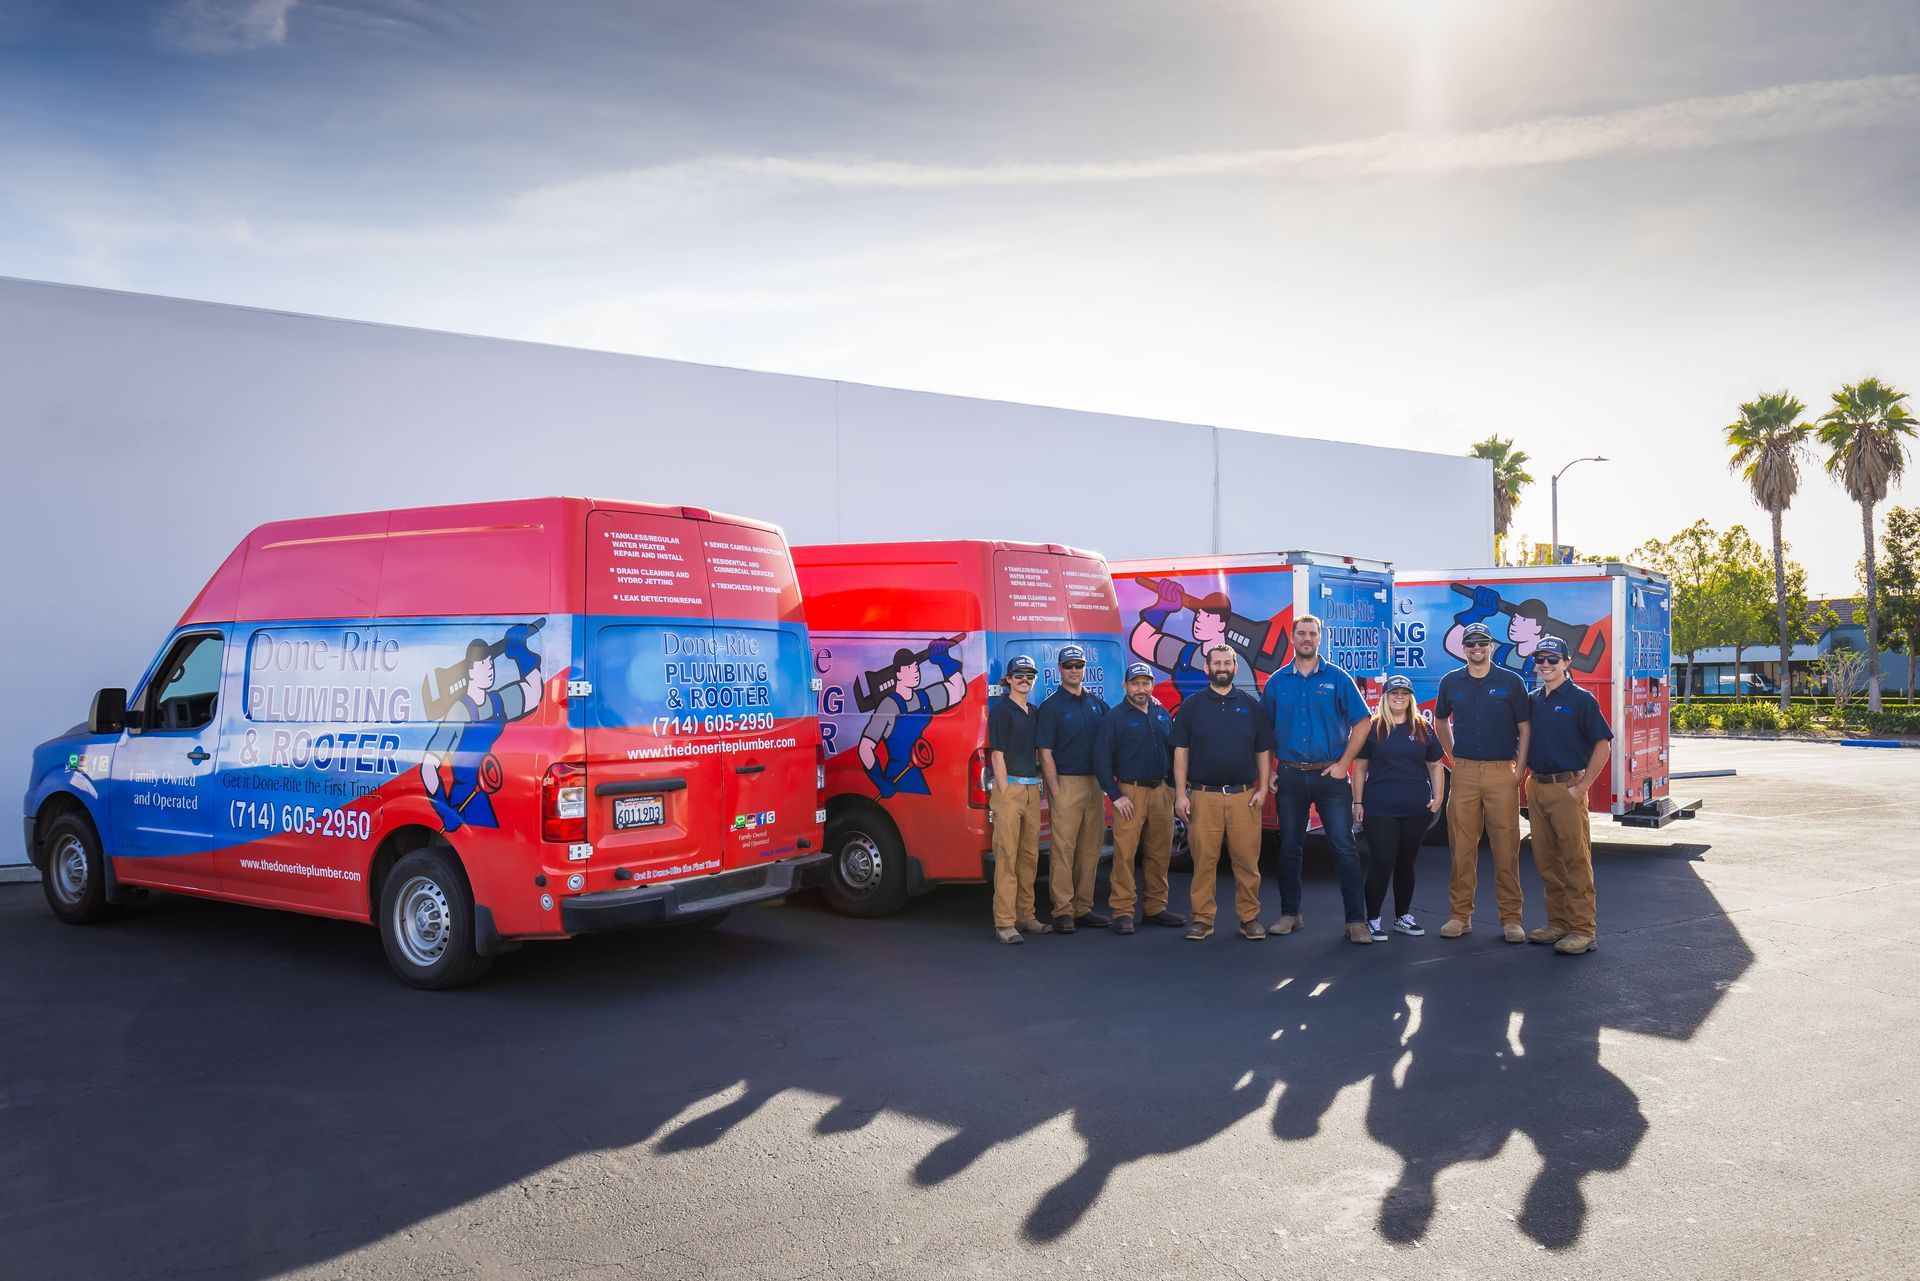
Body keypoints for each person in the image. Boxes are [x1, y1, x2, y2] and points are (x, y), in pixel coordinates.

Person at [1260, 614, 1374, 944]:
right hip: (1291, 777)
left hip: (1330, 776)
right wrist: (1268, 770)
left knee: (1343, 847)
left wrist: (1343, 765)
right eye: (1301, 633)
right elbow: (1265, 732)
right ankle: (1290, 914)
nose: (1306, 638)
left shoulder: (1338, 678)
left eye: (1312, 633)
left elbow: (1363, 722)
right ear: (1292, 638)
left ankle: (1356, 921)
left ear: (1319, 639)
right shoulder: (1277, 682)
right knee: (1290, 849)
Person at [1432, 619, 1533, 943]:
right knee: (1462, 848)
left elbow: (1525, 727)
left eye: (1482, 644)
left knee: (1506, 848)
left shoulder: (1511, 682)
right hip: (1464, 773)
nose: (1477, 649)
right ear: (1464, 649)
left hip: (1500, 772)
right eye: (1471, 644)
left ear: (1491, 646)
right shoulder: (1451, 682)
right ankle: (1460, 916)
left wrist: (1520, 769)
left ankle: (1511, 919)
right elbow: (1440, 719)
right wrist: (1452, 756)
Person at [1172, 645, 1274, 941]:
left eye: (1226, 662)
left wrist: (1263, 788)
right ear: (1207, 668)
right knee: (1204, 862)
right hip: (1204, 797)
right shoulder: (1192, 706)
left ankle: (1249, 918)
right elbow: (1181, 752)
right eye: (1216, 663)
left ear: (1235, 667)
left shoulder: (1250, 705)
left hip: (1244, 797)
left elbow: (1263, 749)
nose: (1221, 667)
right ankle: (1203, 919)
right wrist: (1181, 793)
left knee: (1247, 862)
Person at [1522, 635, 1613, 956]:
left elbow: (1603, 745)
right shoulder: (1532, 700)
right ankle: (1557, 923)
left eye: (1553, 660)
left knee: (1575, 859)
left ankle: (1583, 929)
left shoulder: (1581, 699)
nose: (1545, 665)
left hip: (1567, 789)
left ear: (1567, 663)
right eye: (1540, 660)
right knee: (1546, 861)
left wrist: (1582, 786)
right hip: (1538, 787)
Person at [1095, 661, 1185, 934]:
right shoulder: (1115, 717)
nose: (1141, 688)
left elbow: (1173, 752)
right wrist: (1115, 796)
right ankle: (1123, 911)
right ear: (1125, 686)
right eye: (1135, 683)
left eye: (1146, 683)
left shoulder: (1160, 713)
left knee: (1159, 853)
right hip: (1129, 793)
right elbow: (1100, 759)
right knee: (1125, 854)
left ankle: (1156, 907)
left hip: (1161, 792)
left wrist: (1173, 788)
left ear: (1152, 686)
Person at [1353, 675, 1446, 942]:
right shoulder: (1373, 728)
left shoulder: (1422, 727)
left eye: (1404, 693)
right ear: (1385, 697)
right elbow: (1360, 768)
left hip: (1415, 807)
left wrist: (1438, 797)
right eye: (1394, 693)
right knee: (1382, 861)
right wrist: (1357, 802)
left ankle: (1402, 916)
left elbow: (1435, 764)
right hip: (1379, 807)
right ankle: (1372, 919)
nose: (1399, 697)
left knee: (1406, 862)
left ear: (1410, 697)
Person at [1037, 644, 1110, 931]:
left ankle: (1084, 907)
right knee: (1064, 850)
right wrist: (1055, 790)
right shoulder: (1051, 707)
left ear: (1084, 669)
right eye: (1069, 666)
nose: (1074, 670)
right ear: (1059, 669)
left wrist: (1150, 701)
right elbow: (1045, 752)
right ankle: (1063, 910)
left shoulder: (1096, 704)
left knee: (1090, 848)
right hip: (1065, 783)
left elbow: (1113, 732)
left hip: (1094, 784)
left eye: (1078, 665)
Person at [988, 654, 1050, 944]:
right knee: (1007, 856)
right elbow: (996, 755)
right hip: (1010, 790)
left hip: (1031, 790)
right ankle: (1005, 923)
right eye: (1019, 675)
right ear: (1009, 680)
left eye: (1029, 675)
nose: (1024, 679)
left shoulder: (1034, 711)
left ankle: (1027, 916)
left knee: (1029, 857)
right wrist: (1003, 792)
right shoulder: (1001, 712)